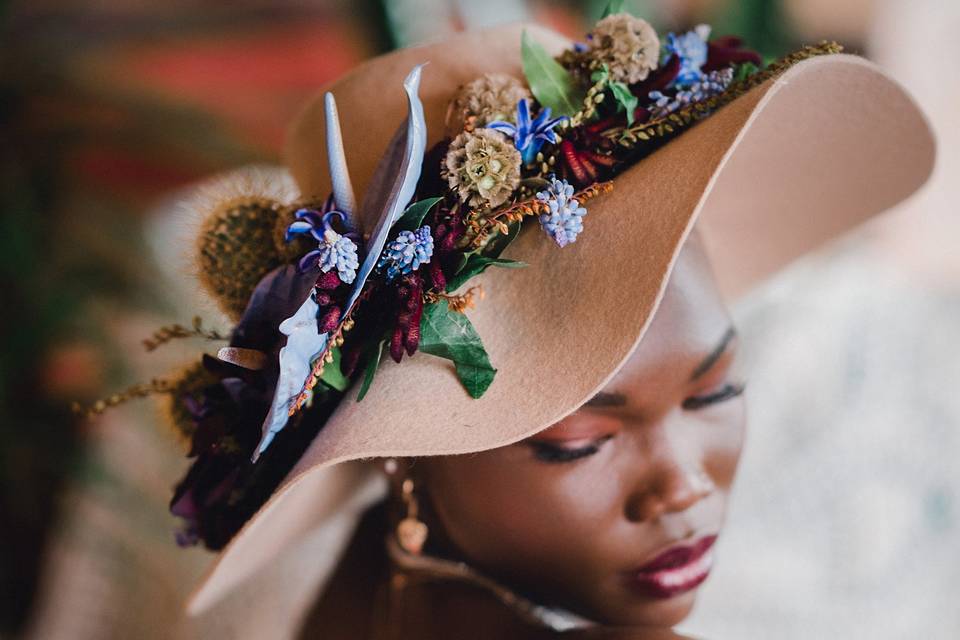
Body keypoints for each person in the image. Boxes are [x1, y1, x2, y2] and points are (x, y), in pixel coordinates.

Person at [87, 10, 933, 640]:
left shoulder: (374, 589)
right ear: (404, 450)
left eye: (717, 391)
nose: (681, 487)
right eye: (581, 442)